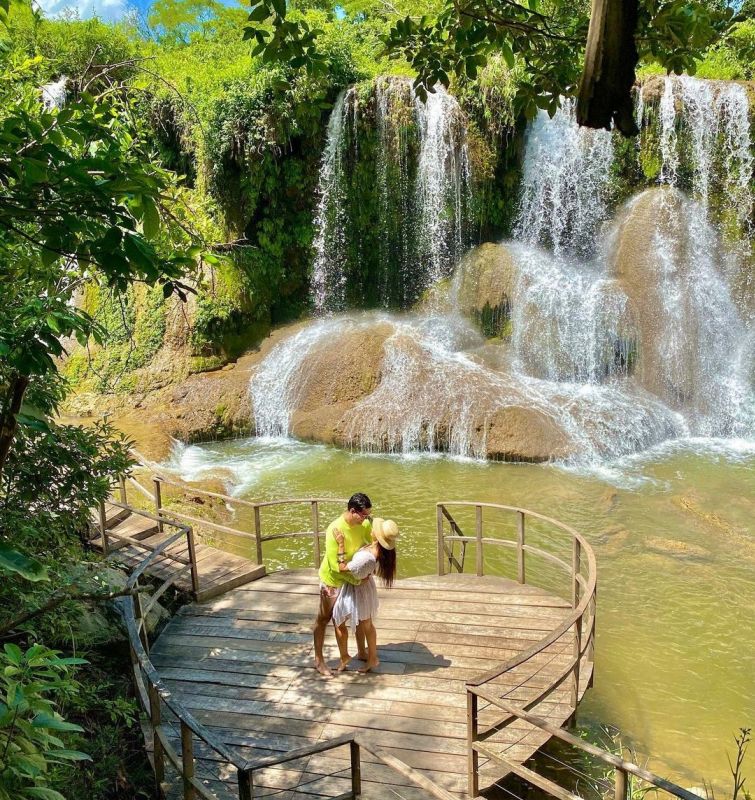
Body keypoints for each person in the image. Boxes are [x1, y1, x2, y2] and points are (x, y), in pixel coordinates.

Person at [313, 492, 373, 677]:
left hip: (353, 575)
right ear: (352, 511)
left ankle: (362, 652)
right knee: (324, 619)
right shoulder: (335, 529)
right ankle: (319, 660)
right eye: (363, 515)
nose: (366, 518)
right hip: (334, 581)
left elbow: (369, 545)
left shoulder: (364, 524)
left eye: (368, 515)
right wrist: (358, 579)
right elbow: (334, 567)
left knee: (359, 614)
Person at [332, 517, 398, 673]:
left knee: (339, 620)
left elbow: (342, 567)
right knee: (364, 622)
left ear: (378, 536)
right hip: (365, 588)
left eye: (375, 528)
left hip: (357, 590)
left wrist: (341, 544)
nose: (372, 529)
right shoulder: (379, 550)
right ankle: (364, 654)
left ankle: (348, 657)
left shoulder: (365, 558)